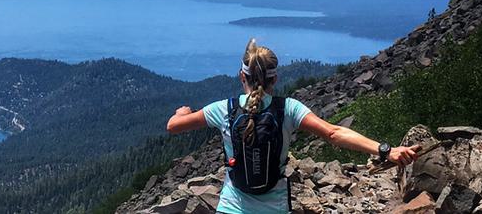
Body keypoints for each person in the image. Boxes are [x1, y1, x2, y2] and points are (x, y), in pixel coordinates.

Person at [166, 39, 421, 213]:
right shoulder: (288, 109)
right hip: (274, 207)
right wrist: (385, 150)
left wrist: (182, 112)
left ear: (241, 76)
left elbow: (173, 126)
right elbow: (334, 133)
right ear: (275, 79)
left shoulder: (224, 109)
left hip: (232, 206)